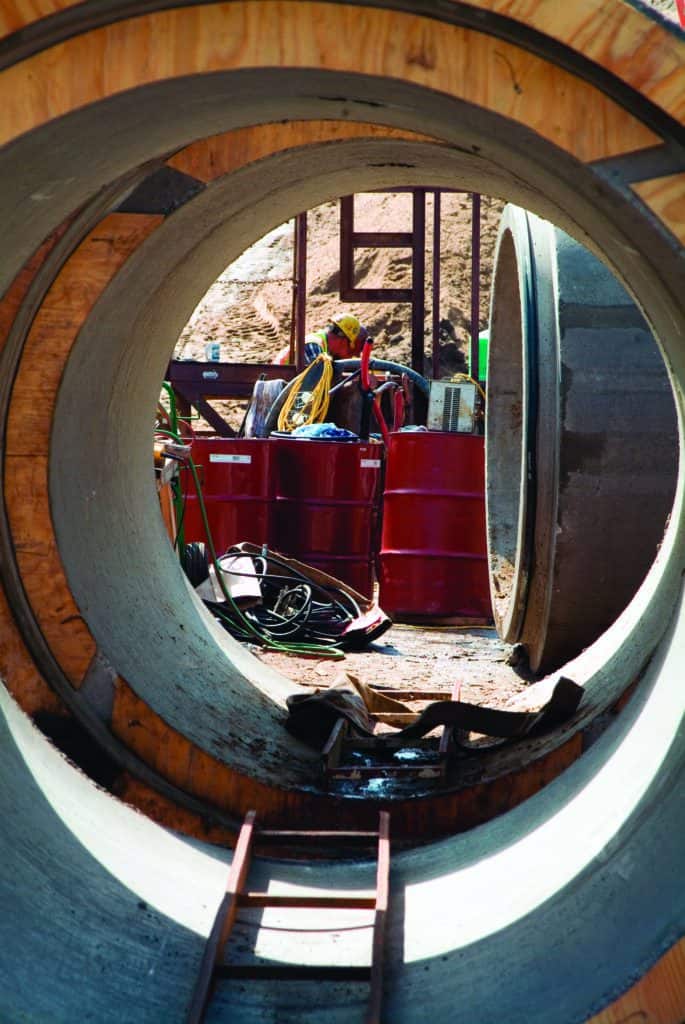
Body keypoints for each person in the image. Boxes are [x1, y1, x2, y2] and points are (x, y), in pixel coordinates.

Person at [274, 312, 368, 365]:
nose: (351, 356)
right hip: (277, 391)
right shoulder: (313, 346)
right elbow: (317, 382)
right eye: (352, 351)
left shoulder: (323, 348)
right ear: (342, 340)